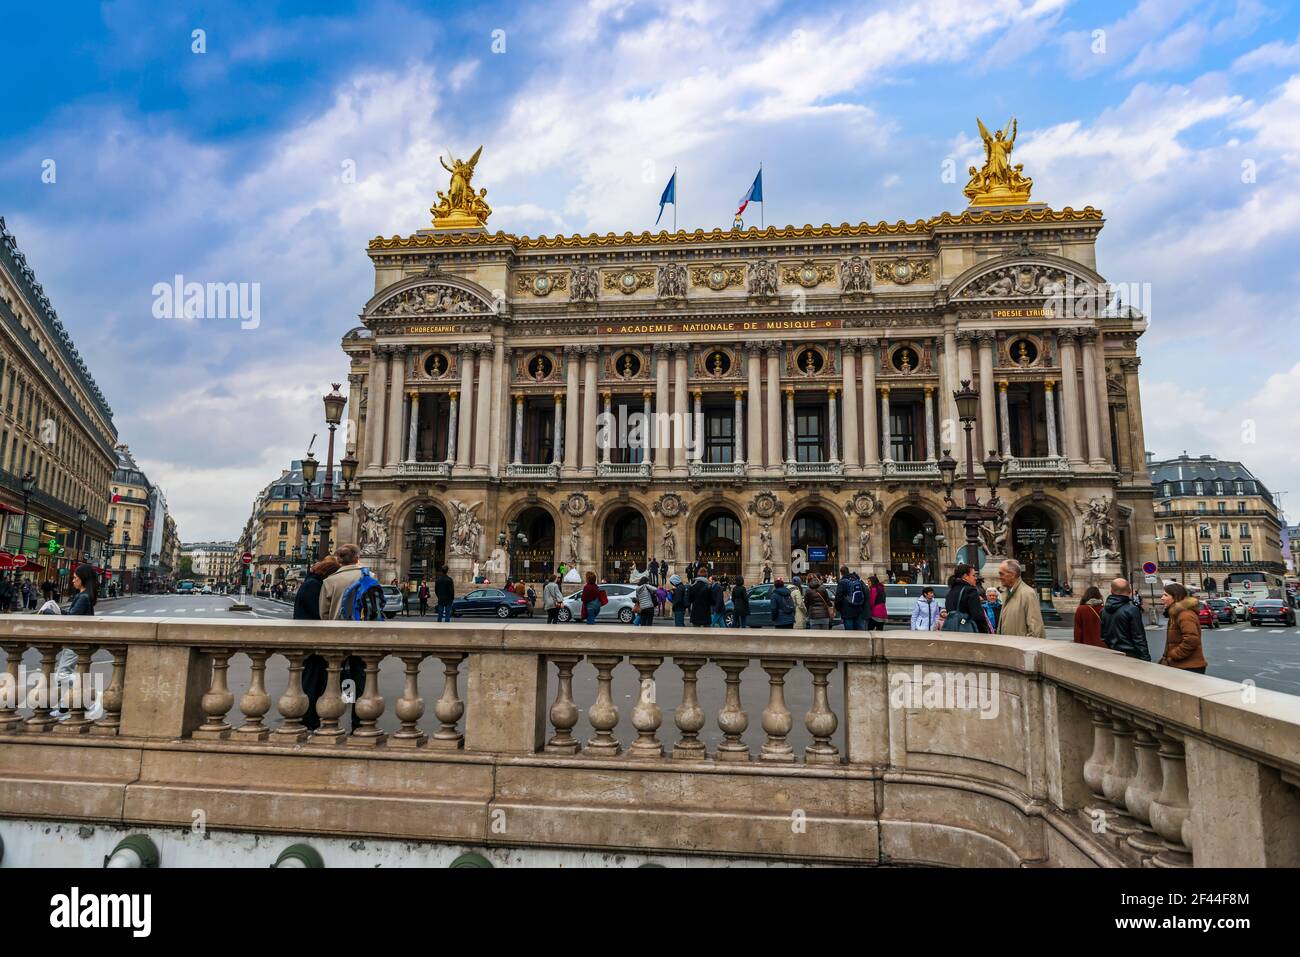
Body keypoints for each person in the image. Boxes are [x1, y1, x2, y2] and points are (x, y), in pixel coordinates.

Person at [295, 556, 341, 731]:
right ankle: (309, 718)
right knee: (312, 680)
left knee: (314, 680)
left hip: (309, 638)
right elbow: (317, 613)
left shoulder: (310, 583)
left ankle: (311, 716)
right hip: (312, 640)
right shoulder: (314, 586)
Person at [1159, 582, 1206, 674]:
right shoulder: (1175, 614)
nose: (1162, 598)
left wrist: (1173, 655)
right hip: (1181, 665)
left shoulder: (1185, 615)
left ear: (1175, 597)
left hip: (1188, 667)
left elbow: (1191, 640)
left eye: (1165, 595)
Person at [1099, 578, 1151, 660]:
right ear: (1129, 591)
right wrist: (1146, 658)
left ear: (1111, 591)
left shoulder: (1103, 610)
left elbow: (1103, 635)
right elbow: (1138, 637)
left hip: (1112, 654)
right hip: (1131, 655)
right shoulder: (1132, 610)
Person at [995, 559, 1045, 640]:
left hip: (1018, 649)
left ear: (1012, 575)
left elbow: (1035, 630)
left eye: (1001, 574)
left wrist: (1023, 649)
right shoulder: (1007, 592)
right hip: (1009, 647)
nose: (999, 577)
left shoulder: (1028, 593)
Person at [945, 563, 993, 634]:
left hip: (953, 631)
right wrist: (985, 631)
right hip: (969, 632)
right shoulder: (970, 591)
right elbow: (978, 616)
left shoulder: (951, 591)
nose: (975, 578)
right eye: (973, 575)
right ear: (965, 576)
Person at [836, 566, 867, 631]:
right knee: (860, 632)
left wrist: (838, 608)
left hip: (847, 610)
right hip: (858, 609)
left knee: (850, 633)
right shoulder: (856, 579)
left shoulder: (842, 582)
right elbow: (865, 592)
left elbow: (838, 597)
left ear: (841, 573)